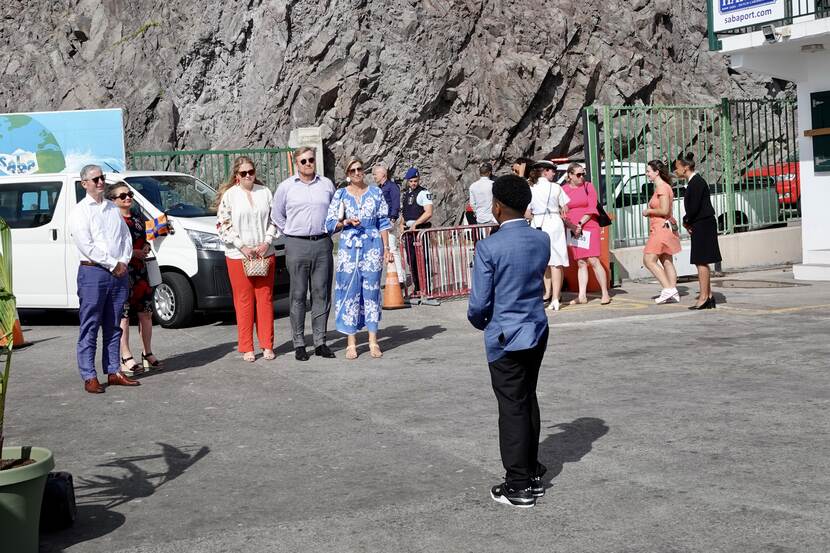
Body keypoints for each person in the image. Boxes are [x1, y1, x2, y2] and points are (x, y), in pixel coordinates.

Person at [468, 174, 550, 509]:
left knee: (512, 406)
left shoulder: (489, 246)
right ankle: (531, 473)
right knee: (527, 398)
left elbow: (478, 303)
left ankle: (517, 484)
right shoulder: (541, 240)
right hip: (536, 327)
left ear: (497, 206)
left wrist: (482, 323)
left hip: (505, 333)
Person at [69, 164, 138, 393]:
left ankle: (113, 369)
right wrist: (112, 263)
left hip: (117, 273)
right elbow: (86, 244)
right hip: (93, 272)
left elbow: (125, 238)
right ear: (84, 184)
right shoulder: (80, 212)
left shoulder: (111, 208)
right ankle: (89, 375)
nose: (100, 182)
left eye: (102, 178)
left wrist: (124, 262)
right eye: (95, 179)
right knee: (90, 325)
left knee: (114, 324)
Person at [271, 146, 337, 360]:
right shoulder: (286, 187)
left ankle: (320, 341)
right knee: (298, 295)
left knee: (321, 293)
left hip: (322, 243)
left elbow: (335, 211)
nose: (308, 164)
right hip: (297, 245)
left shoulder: (326, 185)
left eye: (311, 160)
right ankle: (299, 343)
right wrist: (290, 232)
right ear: (295, 163)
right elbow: (277, 214)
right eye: (303, 161)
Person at [326, 158, 395, 359]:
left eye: (360, 169)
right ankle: (351, 342)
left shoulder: (375, 193)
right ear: (347, 173)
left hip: (372, 245)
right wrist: (345, 221)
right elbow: (329, 222)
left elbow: (383, 222)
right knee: (350, 290)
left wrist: (386, 248)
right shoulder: (341, 194)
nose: (357, 173)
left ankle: (373, 340)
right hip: (349, 247)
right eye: (353, 170)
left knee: (372, 291)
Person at [216, 156, 277, 362]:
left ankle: (267, 345)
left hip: (264, 253)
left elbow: (275, 219)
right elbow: (223, 224)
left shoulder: (265, 192)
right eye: (244, 173)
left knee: (265, 300)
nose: (248, 176)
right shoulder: (230, 196)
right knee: (244, 301)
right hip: (237, 255)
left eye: (251, 172)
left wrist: (267, 242)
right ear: (237, 176)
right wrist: (241, 245)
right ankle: (247, 346)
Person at [107, 181, 161, 376]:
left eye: (129, 194)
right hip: (123, 271)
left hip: (141, 271)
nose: (128, 197)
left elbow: (144, 235)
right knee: (124, 315)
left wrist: (145, 247)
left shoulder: (137, 217)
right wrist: (133, 254)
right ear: (112, 200)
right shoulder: (112, 220)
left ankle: (147, 352)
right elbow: (112, 248)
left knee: (146, 313)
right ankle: (125, 355)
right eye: (122, 196)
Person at [675, 152, 722, 310]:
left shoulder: (696, 182)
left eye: (677, 167)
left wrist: (686, 221)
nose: (676, 171)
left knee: (701, 261)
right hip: (702, 224)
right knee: (701, 261)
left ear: (686, 167)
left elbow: (694, 207)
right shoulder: (694, 181)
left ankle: (703, 297)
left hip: (703, 224)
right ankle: (708, 296)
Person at [562, 163, 611, 305]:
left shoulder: (588, 186)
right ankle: (582, 295)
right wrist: (572, 226)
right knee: (581, 262)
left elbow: (591, 208)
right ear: (570, 175)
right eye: (578, 174)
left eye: (583, 174)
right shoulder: (563, 190)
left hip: (588, 225)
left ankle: (605, 293)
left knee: (593, 259)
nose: (581, 177)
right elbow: (562, 210)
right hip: (573, 228)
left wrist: (580, 224)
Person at [526, 160, 570, 311]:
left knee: (542, 262)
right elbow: (565, 208)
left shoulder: (530, 188)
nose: (554, 173)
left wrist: (534, 218)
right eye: (552, 170)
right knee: (556, 261)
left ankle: (547, 293)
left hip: (537, 223)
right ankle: (556, 298)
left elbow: (526, 212)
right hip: (554, 222)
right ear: (545, 171)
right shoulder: (556, 187)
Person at [642, 160, 682, 304]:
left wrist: (649, 211)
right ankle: (672, 291)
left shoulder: (662, 188)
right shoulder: (662, 187)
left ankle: (668, 289)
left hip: (661, 228)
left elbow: (664, 210)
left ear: (656, 172)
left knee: (648, 260)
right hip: (662, 227)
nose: (647, 174)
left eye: (648, 171)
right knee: (666, 260)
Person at [400, 167, 433, 295]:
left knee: (422, 260)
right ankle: (417, 288)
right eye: (411, 181)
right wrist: (401, 224)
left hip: (419, 231)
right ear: (408, 181)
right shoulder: (406, 194)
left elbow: (428, 212)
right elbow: (405, 212)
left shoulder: (424, 193)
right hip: (409, 232)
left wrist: (416, 224)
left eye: (415, 180)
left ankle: (426, 289)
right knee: (411, 260)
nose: (413, 183)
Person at [373, 164, 404, 283]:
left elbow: (395, 203)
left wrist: (392, 219)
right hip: (381, 222)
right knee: (385, 249)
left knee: (392, 248)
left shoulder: (392, 187)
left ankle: (400, 278)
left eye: (376, 174)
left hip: (389, 220)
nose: (374, 176)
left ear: (383, 174)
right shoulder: (379, 188)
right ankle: (391, 275)